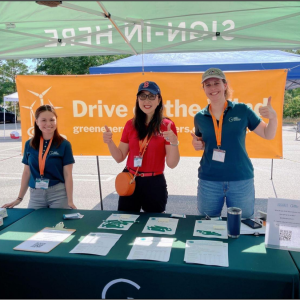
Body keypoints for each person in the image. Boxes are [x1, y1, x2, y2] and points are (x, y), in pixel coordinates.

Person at [192, 68, 277, 218]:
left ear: (225, 85)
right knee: (206, 225)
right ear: (204, 89)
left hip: (240, 179)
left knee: (243, 227)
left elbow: (267, 134)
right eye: (208, 85)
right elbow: (200, 140)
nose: (213, 88)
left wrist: (273, 118)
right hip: (209, 180)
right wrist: (197, 144)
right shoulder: (200, 116)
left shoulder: (242, 110)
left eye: (216, 83)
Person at [103, 81, 180, 213]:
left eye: (151, 96)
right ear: (137, 99)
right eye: (142, 96)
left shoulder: (166, 125)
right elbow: (119, 157)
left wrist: (174, 142)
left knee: (153, 226)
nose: (146, 100)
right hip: (130, 179)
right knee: (125, 222)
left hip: (154, 183)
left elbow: (172, 164)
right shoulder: (130, 124)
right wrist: (109, 142)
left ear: (159, 99)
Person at [2, 105, 77, 209]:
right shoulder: (29, 144)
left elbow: (68, 174)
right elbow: (27, 172)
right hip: (35, 195)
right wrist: (19, 199)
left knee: (57, 224)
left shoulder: (64, 144)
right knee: (34, 224)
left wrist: (70, 201)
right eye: (43, 120)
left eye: (52, 120)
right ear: (37, 122)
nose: (48, 124)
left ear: (56, 121)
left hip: (58, 194)